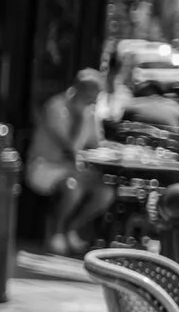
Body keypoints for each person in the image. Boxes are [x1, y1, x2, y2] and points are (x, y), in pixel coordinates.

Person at [26, 69, 115, 255]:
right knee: (73, 189)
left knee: (105, 192)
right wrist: (83, 118)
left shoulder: (90, 112)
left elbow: (96, 143)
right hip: (45, 167)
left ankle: (72, 229)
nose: (95, 101)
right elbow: (68, 146)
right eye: (92, 96)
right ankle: (55, 233)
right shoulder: (57, 107)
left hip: (71, 168)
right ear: (77, 90)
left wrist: (118, 149)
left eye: (97, 97)